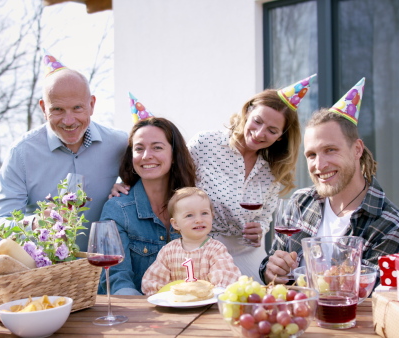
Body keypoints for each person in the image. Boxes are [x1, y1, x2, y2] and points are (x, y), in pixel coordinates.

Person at [111, 76, 316, 281]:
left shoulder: (273, 169)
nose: (260, 133)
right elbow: (169, 169)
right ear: (247, 112)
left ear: (280, 136)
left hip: (248, 254)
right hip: (202, 250)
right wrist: (126, 183)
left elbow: (264, 217)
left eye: (272, 130)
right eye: (257, 121)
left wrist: (259, 229)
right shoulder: (207, 143)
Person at [259, 78, 399, 285]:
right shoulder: (299, 203)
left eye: (330, 150)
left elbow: (373, 302)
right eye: (312, 155)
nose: (320, 165)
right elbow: (271, 264)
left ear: (357, 149)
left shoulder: (392, 227)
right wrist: (271, 271)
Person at [0, 52, 127, 252]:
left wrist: (124, 188)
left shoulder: (120, 144)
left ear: (92, 105)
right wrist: (34, 223)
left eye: (77, 108)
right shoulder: (22, 154)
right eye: (58, 110)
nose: (69, 121)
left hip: (107, 270)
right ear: (44, 108)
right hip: (48, 274)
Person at [100, 117, 197, 295]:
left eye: (157, 147)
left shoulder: (194, 206)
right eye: (139, 148)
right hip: (140, 315)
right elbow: (116, 279)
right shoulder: (117, 209)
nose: (146, 156)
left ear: (174, 155)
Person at [141, 187, 241, 296]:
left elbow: (225, 276)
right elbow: (153, 281)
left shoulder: (216, 249)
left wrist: (216, 292)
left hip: (208, 304)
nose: (199, 220)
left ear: (212, 216)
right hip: (176, 306)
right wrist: (166, 295)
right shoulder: (168, 251)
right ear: (176, 224)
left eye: (204, 213)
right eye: (189, 215)